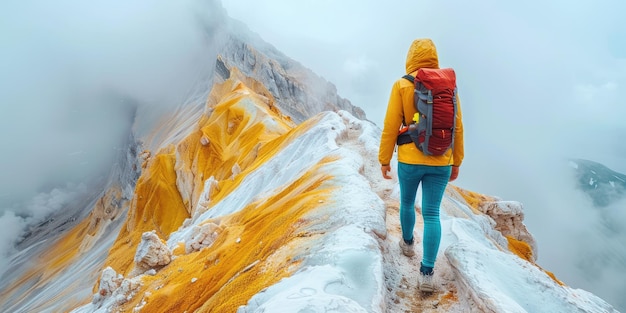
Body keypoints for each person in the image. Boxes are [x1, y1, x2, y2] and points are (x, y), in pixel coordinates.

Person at [378, 38, 464, 292]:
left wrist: (384, 159)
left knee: (406, 202)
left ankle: (406, 244)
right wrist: (456, 161)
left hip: (409, 159)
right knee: (431, 214)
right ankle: (426, 273)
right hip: (442, 161)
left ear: (411, 57)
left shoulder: (402, 84)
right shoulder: (449, 87)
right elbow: (457, 127)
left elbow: (391, 125)